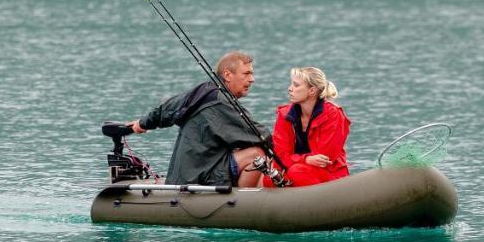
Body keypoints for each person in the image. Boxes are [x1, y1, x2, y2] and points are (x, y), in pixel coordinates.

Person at [128, 50, 269, 188]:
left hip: (185, 174)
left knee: (247, 149)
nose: (252, 79)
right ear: (227, 75)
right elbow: (259, 135)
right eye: (246, 73)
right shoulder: (222, 102)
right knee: (257, 154)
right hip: (200, 176)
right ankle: (243, 201)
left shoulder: (204, 90)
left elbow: (167, 109)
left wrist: (142, 123)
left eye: (252, 73)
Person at [264, 66, 351, 188]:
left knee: (297, 172)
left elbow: (324, 159)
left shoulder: (333, 115)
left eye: (296, 85)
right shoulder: (285, 115)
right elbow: (280, 155)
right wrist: (305, 159)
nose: (290, 89)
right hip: (296, 168)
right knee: (269, 179)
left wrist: (298, 162)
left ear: (312, 91)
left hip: (329, 173)